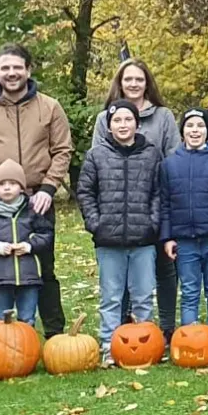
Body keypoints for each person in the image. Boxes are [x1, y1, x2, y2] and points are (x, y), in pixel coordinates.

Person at [0, 43, 72, 338]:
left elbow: (62, 150)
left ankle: (54, 335)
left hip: (37, 200)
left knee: (43, 268)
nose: (12, 73)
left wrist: (49, 187)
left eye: (17, 67)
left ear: (28, 70)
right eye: (5, 68)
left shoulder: (49, 107)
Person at [88, 58, 179, 337]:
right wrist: (98, 220)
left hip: (152, 203)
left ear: (147, 82)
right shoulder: (106, 117)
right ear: (120, 82)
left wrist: (154, 217)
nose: (134, 84)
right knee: (117, 280)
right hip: (115, 210)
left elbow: (172, 156)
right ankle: (121, 335)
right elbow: (95, 169)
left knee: (160, 272)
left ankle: (161, 331)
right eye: (128, 79)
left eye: (139, 79)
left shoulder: (163, 116)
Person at [76, 100, 164, 362]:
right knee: (111, 296)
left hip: (143, 239)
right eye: (117, 120)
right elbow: (85, 192)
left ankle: (145, 343)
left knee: (143, 294)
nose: (123, 125)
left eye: (128, 119)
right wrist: (96, 223)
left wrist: (153, 223)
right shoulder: (97, 155)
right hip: (109, 239)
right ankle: (109, 346)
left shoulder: (151, 153)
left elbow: (159, 193)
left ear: (137, 123)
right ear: (109, 125)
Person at [160, 108, 208, 346]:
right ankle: (189, 341)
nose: (195, 130)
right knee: (190, 292)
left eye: (200, 126)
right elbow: (164, 204)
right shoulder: (170, 164)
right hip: (184, 241)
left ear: (207, 131)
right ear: (182, 131)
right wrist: (167, 238)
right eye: (190, 126)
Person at [0, 160, 53, 326]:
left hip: (29, 277)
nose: (7, 187)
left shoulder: (32, 209)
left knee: (27, 319)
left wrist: (30, 246)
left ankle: (26, 350)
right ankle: (1, 351)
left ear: (21, 187)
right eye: (2, 184)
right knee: (0, 321)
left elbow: (46, 234)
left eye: (12, 183)